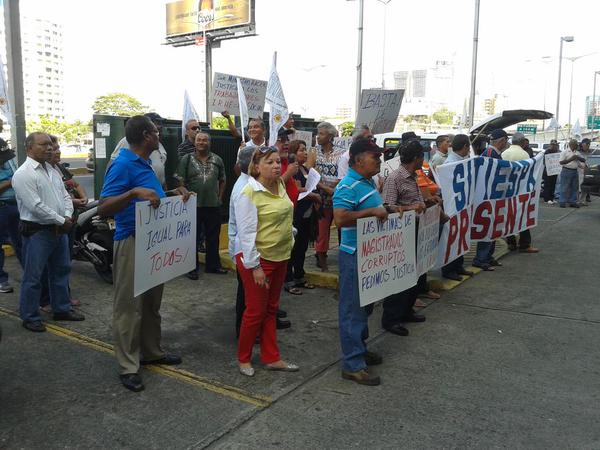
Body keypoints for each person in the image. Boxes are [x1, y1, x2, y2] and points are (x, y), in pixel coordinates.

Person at [99, 115, 191, 392]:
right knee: (129, 307)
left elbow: (154, 196)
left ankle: (151, 351)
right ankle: (128, 365)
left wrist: (173, 193)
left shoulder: (147, 162)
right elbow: (104, 207)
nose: (159, 134)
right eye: (156, 131)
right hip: (131, 240)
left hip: (153, 243)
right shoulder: (122, 165)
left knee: (152, 303)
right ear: (145, 136)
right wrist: (132, 194)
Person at [234, 146, 299, 377]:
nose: (275, 166)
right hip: (258, 260)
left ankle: (272, 357)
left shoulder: (280, 185)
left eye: (277, 162)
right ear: (256, 166)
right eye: (269, 162)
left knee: (271, 309)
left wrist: (289, 234)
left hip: (280, 256)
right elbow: (246, 233)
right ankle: (243, 358)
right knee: (255, 311)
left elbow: (285, 213)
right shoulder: (249, 193)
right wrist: (255, 267)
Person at [12, 132, 85, 332]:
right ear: (29, 148)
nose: (50, 148)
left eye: (50, 145)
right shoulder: (24, 173)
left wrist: (67, 216)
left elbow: (64, 196)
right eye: (43, 145)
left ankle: (61, 308)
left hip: (59, 229)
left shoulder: (52, 170)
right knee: (33, 276)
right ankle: (29, 316)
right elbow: (35, 206)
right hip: (38, 232)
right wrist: (62, 220)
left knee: (61, 270)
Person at [333, 138, 387, 386]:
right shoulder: (347, 186)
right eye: (374, 156)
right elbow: (340, 219)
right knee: (353, 310)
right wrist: (371, 212)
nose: (379, 160)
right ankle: (353, 365)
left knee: (365, 307)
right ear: (357, 159)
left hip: (369, 254)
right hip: (354, 254)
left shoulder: (368, 182)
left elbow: (376, 209)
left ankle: (360, 349)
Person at [380, 140, 428, 337]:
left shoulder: (412, 177)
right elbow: (387, 206)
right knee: (400, 276)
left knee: (413, 273)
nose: (423, 160)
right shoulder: (395, 178)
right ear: (416, 158)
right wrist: (410, 208)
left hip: (416, 228)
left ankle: (406, 310)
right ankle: (391, 319)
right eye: (421, 157)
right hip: (401, 233)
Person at [178, 131, 227, 279]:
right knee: (192, 237)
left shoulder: (217, 159)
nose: (201, 142)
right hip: (193, 205)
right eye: (199, 140)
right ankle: (191, 268)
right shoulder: (187, 159)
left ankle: (213, 266)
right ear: (194, 142)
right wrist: (184, 192)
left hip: (213, 205)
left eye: (205, 140)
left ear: (209, 143)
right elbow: (180, 179)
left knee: (213, 237)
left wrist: (220, 197)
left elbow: (223, 179)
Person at [284, 140, 320, 295]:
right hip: (296, 214)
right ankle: (288, 280)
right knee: (292, 248)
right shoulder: (292, 171)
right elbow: (297, 191)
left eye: (305, 150)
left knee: (302, 247)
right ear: (293, 152)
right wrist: (312, 195)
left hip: (308, 214)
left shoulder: (305, 168)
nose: (305, 153)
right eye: (301, 150)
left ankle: (299, 276)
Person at [473, 129, 508, 271]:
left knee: (493, 227)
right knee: (487, 228)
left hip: (495, 197)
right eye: (506, 140)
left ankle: (488, 256)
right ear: (502, 141)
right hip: (488, 198)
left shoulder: (493, 154)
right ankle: (481, 258)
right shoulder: (489, 154)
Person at [441, 134, 476, 281]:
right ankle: (449, 269)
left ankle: (458, 265)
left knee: (460, 236)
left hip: (462, 204)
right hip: (453, 206)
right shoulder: (449, 163)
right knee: (452, 237)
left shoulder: (461, 161)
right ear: (464, 147)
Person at [314, 121, 345, 272]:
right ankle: (321, 259)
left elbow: (344, 175)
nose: (318, 136)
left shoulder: (341, 153)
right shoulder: (314, 152)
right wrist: (323, 187)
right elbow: (310, 172)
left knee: (342, 228)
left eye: (321, 134)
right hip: (321, 197)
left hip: (338, 197)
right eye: (317, 133)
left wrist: (333, 189)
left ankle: (344, 258)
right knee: (322, 230)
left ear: (331, 136)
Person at [501, 133, 539, 253]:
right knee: (523, 215)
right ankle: (524, 243)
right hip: (521, 190)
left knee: (508, 216)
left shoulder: (504, 153)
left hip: (506, 189)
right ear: (523, 142)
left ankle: (511, 242)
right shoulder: (524, 154)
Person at [109, 112, 169, 187]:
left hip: (156, 190)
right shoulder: (128, 141)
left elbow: (160, 170)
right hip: (142, 194)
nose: (160, 126)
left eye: (161, 123)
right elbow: (113, 166)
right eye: (157, 123)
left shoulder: (158, 145)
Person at [0, 126, 22, 294]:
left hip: (15, 206)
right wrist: (10, 182)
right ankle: (1, 280)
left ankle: (32, 275)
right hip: (2, 207)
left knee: (22, 244)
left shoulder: (3, 148)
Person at [559, 139, 586, 208]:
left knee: (575, 187)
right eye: (575, 145)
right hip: (566, 170)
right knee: (564, 187)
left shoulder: (577, 153)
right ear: (571, 145)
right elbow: (561, 162)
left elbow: (583, 160)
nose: (577, 146)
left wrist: (578, 157)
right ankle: (562, 201)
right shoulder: (565, 152)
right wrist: (571, 158)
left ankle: (573, 201)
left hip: (574, 171)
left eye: (577, 145)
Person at [542, 139, 560, 204]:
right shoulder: (547, 151)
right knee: (548, 185)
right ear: (551, 145)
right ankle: (546, 199)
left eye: (556, 145)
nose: (555, 146)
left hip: (554, 171)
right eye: (553, 145)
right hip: (548, 171)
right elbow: (545, 161)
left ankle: (551, 198)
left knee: (553, 184)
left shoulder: (557, 152)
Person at [578, 138, 591, 205]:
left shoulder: (588, 151)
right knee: (579, 186)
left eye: (589, 146)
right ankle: (578, 200)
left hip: (586, 170)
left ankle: (583, 200)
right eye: (587, 145)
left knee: (585, 185)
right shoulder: (578, 151)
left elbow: (587, 160)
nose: (588, 147)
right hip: (579, 170)